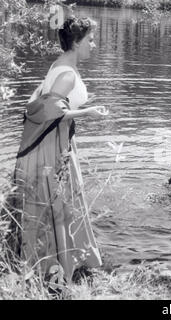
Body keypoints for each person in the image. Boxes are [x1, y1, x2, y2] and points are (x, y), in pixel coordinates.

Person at [6, 16, 108, 283]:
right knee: (58, 203)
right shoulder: (66, 74)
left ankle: (46, 264)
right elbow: (50, 110)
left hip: (52, 143)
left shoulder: (60, 65)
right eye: (90, 39)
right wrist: (88, 112)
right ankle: (58, 267)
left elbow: (41, 103)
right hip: (53, 147)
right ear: (76, 42)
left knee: (50, 204)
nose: (93, 45)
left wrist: (76, 108)